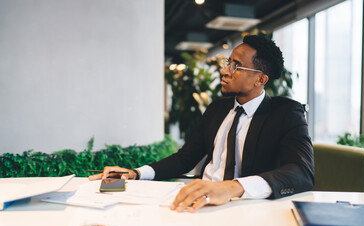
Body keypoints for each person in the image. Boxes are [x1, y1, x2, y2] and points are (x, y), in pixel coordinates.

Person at [89, 35, 314, 213]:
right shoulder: (217, 109)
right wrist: (135, 173)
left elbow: (301, 172)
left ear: (260, 79)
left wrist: (232, 187)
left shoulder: (286, 113)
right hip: (198, 202)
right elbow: (185, 158)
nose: (225, 71)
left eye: (236, 66)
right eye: (228, 63)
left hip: (244, 208)